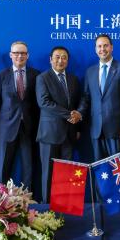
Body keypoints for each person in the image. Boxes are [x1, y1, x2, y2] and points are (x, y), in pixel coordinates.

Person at [75, 34, 120, 161]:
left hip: (117, 130)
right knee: (100, 171)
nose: (102, 49)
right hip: (96, 129)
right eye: (99, 46)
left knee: (117, 171)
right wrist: (79, 113)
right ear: (95, 49)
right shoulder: (90, 71)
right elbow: (86, 98)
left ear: (112, 47)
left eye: (105, 45)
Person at [36, 46, 81, 203]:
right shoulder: (42, 78)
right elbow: (44, 102)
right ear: (50, 59)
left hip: (69, 133)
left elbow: (77, 104)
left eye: (64, 57)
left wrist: (77, 120)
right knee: (48, 173)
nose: (60, 60)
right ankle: (47, 207)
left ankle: (66, 205)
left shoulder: (74, 79)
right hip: (49, 133)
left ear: (68, 61)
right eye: (57, 57)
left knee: (68, 172)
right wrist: (69, 115)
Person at [0, 41, 40, 188]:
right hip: (7, 127)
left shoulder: (36, 75)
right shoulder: (1, 76)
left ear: (28, 55)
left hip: (29, 127)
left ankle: (28, 200)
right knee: (4, 165)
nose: (20, 56)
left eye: (23, 53)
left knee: (29, 166)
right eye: (16, 53)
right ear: (10, 55)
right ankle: (1, 199)